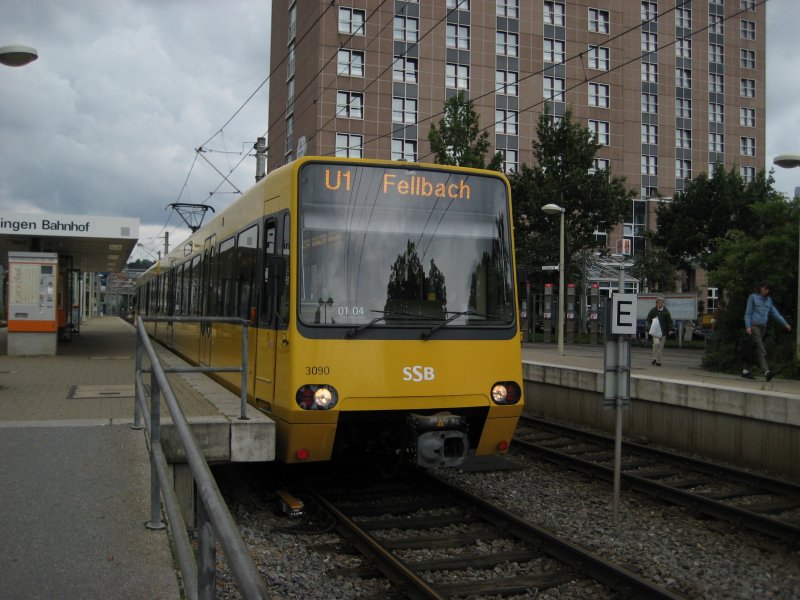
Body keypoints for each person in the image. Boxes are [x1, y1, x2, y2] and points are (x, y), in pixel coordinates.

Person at [742, 282, 792, 381]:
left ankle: (745, 371)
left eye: (767, 289)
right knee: (761, 348)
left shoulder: (769, 300)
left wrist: (785, 324)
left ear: (768, 291)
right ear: (760, 288)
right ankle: (767, 371)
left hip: (763, 328)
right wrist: (748, 327)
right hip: (754, 327)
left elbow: (775, 314)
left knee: (753, 349)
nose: (765, 290)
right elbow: (748, 313)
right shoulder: (753, 297)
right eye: (763, 288)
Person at [646, 297, 673, 366]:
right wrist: (650, 323)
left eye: (662, 303)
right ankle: (655, 358)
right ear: (657, 303)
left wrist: (670, 329)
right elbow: (648, 319)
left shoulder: (666, 312)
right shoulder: (653, 311)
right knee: (656, 344)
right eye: (660, 302)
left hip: (663, 332)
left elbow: (669, 321)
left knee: (661, 347)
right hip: (655, 332)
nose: (661, 304)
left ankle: (658, 361)